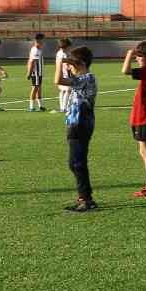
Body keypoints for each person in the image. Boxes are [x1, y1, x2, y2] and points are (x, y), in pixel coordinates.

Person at [56, 46, 99, 212]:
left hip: (81, 125)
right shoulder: (81, 78)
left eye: (73, 63)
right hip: (74, 124)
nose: (70, 66)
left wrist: (61, 62)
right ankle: (85, 196)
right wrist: (68, 65)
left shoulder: (88, 78)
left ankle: (86, 199)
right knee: (73, 163)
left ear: (80, 63)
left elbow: (57, 81)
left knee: (78, 163)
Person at [121, 40, 146, 197]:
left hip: (144, 116)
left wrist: (129, 55)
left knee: (145, 150)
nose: (137, 59)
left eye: (140, 56)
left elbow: (125, 71)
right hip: (144, 114)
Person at [27, 32, 46, 112]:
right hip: (36, 73)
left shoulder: (37, 49)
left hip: (39, 73)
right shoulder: (35, 50)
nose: (43, 41)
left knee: (39, 88)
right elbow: (32, 62)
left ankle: (40, 106)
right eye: (42, 40)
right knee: (35, 88)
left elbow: (29, 60)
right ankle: (31, 107)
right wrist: (29, 73)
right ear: (39, 40)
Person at [55, 37, 73, 120]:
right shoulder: (64, 54)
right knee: (68, 90)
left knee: (63, 90)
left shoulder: (59, 53)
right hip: (65, 74)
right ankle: (64, 108)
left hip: (61, 74)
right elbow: (66, 64)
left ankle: (62, 107)